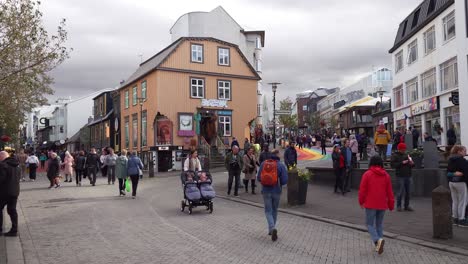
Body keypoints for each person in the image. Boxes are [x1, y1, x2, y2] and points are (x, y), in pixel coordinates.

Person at [358, 155, 394, 255]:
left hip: (370, 203)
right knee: (379, 224)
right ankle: (379, 243)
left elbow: (362, 190)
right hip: (382, 204)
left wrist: (361, 201)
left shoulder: (367, 174)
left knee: (369, 224)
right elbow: (390, 192)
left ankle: (377, 240)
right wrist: (391, 204)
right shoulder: (386, 175)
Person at [256, 149, 288, 241]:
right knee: (274, 210)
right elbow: (284, 180)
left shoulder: (263, 164)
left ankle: (271, 228)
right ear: (277, 155)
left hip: (266, 191)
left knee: (268, 211)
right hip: (276, 191)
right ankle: (272, 228)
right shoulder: (280, 165)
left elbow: (258, 178)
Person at [447, 145, 468, 226]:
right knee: (463, 202)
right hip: (461, 183)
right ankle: (462, 219)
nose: (465, 152)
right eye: (464, 151)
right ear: (459, 151)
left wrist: (453, 174)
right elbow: (466, 173)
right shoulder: (462, 161)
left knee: (455, 201)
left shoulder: (451, 159)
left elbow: (448, 173)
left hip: (452, 182)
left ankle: (455, 218)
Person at [0, 151, 20, 236]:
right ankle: (14, 230)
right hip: (15, 191)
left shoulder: (3, 165)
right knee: (12, 210)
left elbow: (1, 179)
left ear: (2, 157)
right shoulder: (17, 165)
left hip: (4, 192)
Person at [390, 143, 414, 212]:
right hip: (400, 176)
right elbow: (392, 165)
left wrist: (412, 163)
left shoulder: (407, 155)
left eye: (404, 149)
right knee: (400, 191)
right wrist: (402, 163)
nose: (404, 150)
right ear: (399, 149)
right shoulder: (395, 155)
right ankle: (399, 206)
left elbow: (412, 165)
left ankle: (406, 206)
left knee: (408, 192)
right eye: (402, 149)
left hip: (408, 175)